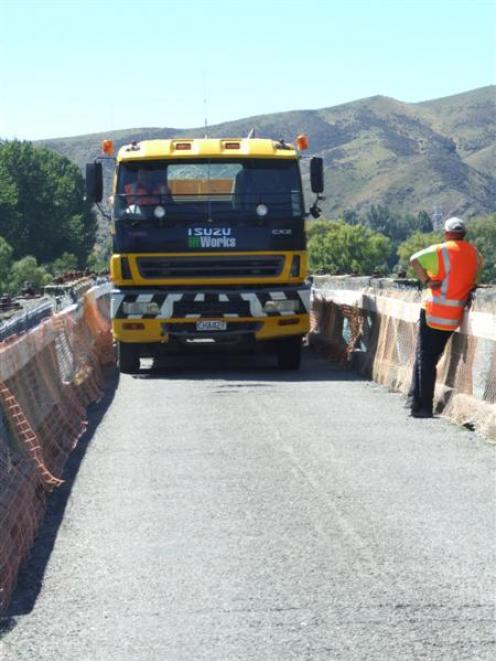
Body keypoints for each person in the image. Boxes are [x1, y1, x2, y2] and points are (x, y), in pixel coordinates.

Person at [407, 217, 483, 418]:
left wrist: (427, 281)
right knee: (427, 356)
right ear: (463, 234)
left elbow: (414, 259)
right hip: (453, 316)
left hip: (433, 312)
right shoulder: (475, 254)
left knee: (425, 358)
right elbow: (474, 278)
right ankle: (413, 399)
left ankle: (423, 407)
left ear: (447, 233)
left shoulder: (441, 250)